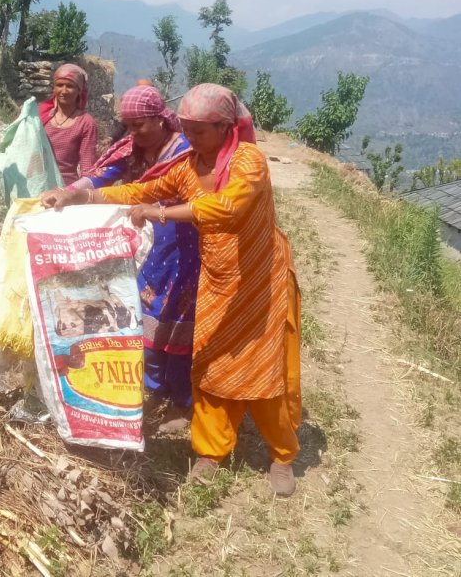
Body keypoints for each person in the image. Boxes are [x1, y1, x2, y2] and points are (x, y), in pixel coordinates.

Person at [43, 83, 301, 497]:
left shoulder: (248, 161)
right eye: (187, 130)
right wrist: (77, 196)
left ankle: (282, 454)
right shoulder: (186, 166)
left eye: (198, 131)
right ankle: (211, 451)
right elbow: (139, 190)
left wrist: (161, 212)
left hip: (259, 281)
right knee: (212, 363)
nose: (191, 139)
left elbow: (227, 208)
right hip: (219, 281)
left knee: (263, 369)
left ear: (223, 127)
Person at [43, 85, 201, 433]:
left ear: (160, 120)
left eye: (140, 125)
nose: (133, 133)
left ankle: (183, 401)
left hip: (186, 246)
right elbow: (104, 177)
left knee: (178, 317)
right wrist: (68, 195)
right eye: (128, 126)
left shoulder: (185, 153)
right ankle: (154, 389)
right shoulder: (133, 148)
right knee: (143, 314)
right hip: (150, 247)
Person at [39, 63, 98, 184]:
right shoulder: (41, 115)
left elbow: (87, 166)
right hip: (36, 183)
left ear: (79, 90)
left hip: (65, 187)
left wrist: (78, 193)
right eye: (60, 85)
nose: (64, 91)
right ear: (54, 88)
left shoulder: (85, 123)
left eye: (70, 86)